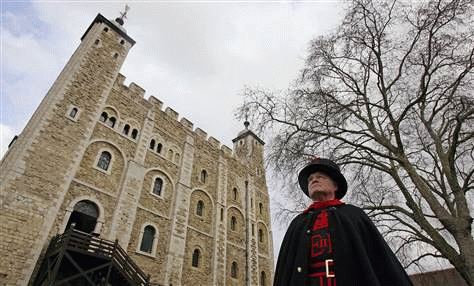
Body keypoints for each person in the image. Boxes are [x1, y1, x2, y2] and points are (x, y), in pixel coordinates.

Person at [273, 158, 413, 286]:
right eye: (310, 179)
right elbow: (286, 271)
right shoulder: (298, 223)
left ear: (335, 186)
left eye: (320, 176)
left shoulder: (353, 216)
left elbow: (382, 261)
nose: (314, 180)